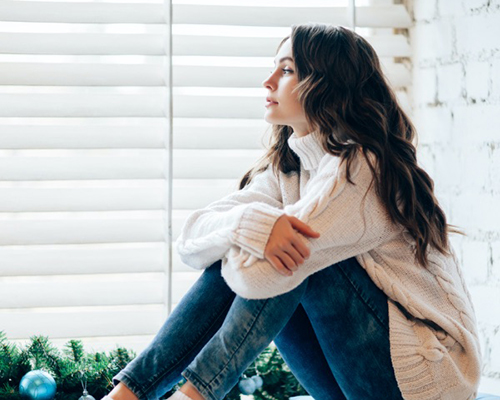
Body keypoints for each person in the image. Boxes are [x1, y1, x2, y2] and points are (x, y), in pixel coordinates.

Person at [101, 23, 482, 400]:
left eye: (286, 70)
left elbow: (262, 274)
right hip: (350, 377)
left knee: (294, 255)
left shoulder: (364, 167)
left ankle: (193, 395)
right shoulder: (288, 169)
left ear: (327, 83)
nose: (268, 82)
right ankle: (128, 395)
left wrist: (255, 235)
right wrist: (244, 225)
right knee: (263, 240)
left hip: (427, 374)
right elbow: (191, 240)